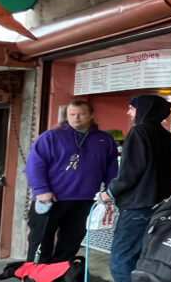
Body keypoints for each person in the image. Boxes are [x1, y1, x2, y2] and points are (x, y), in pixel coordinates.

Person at [99, 95, 171, 282]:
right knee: (147, 256)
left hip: (137, 206)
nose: (128, 113)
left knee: (122, 256)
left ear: (143, 109)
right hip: (158, 204)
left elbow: (130, 173)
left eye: (131, 109)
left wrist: (109, 193)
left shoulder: (139, 132)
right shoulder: (166, 136)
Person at [24, 100, 118, 265]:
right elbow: (34, 164)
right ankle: (35, 280)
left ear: (91, 115)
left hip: (85, 199)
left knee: (71, 242)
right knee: (40, 241)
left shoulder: (104, 139)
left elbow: (112, 169)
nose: (76, 118)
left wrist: (109, 191)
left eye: (81, 114)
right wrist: (40, 189)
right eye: (72, 114)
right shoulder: (50, 137)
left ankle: (59, 276)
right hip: (51, 198)